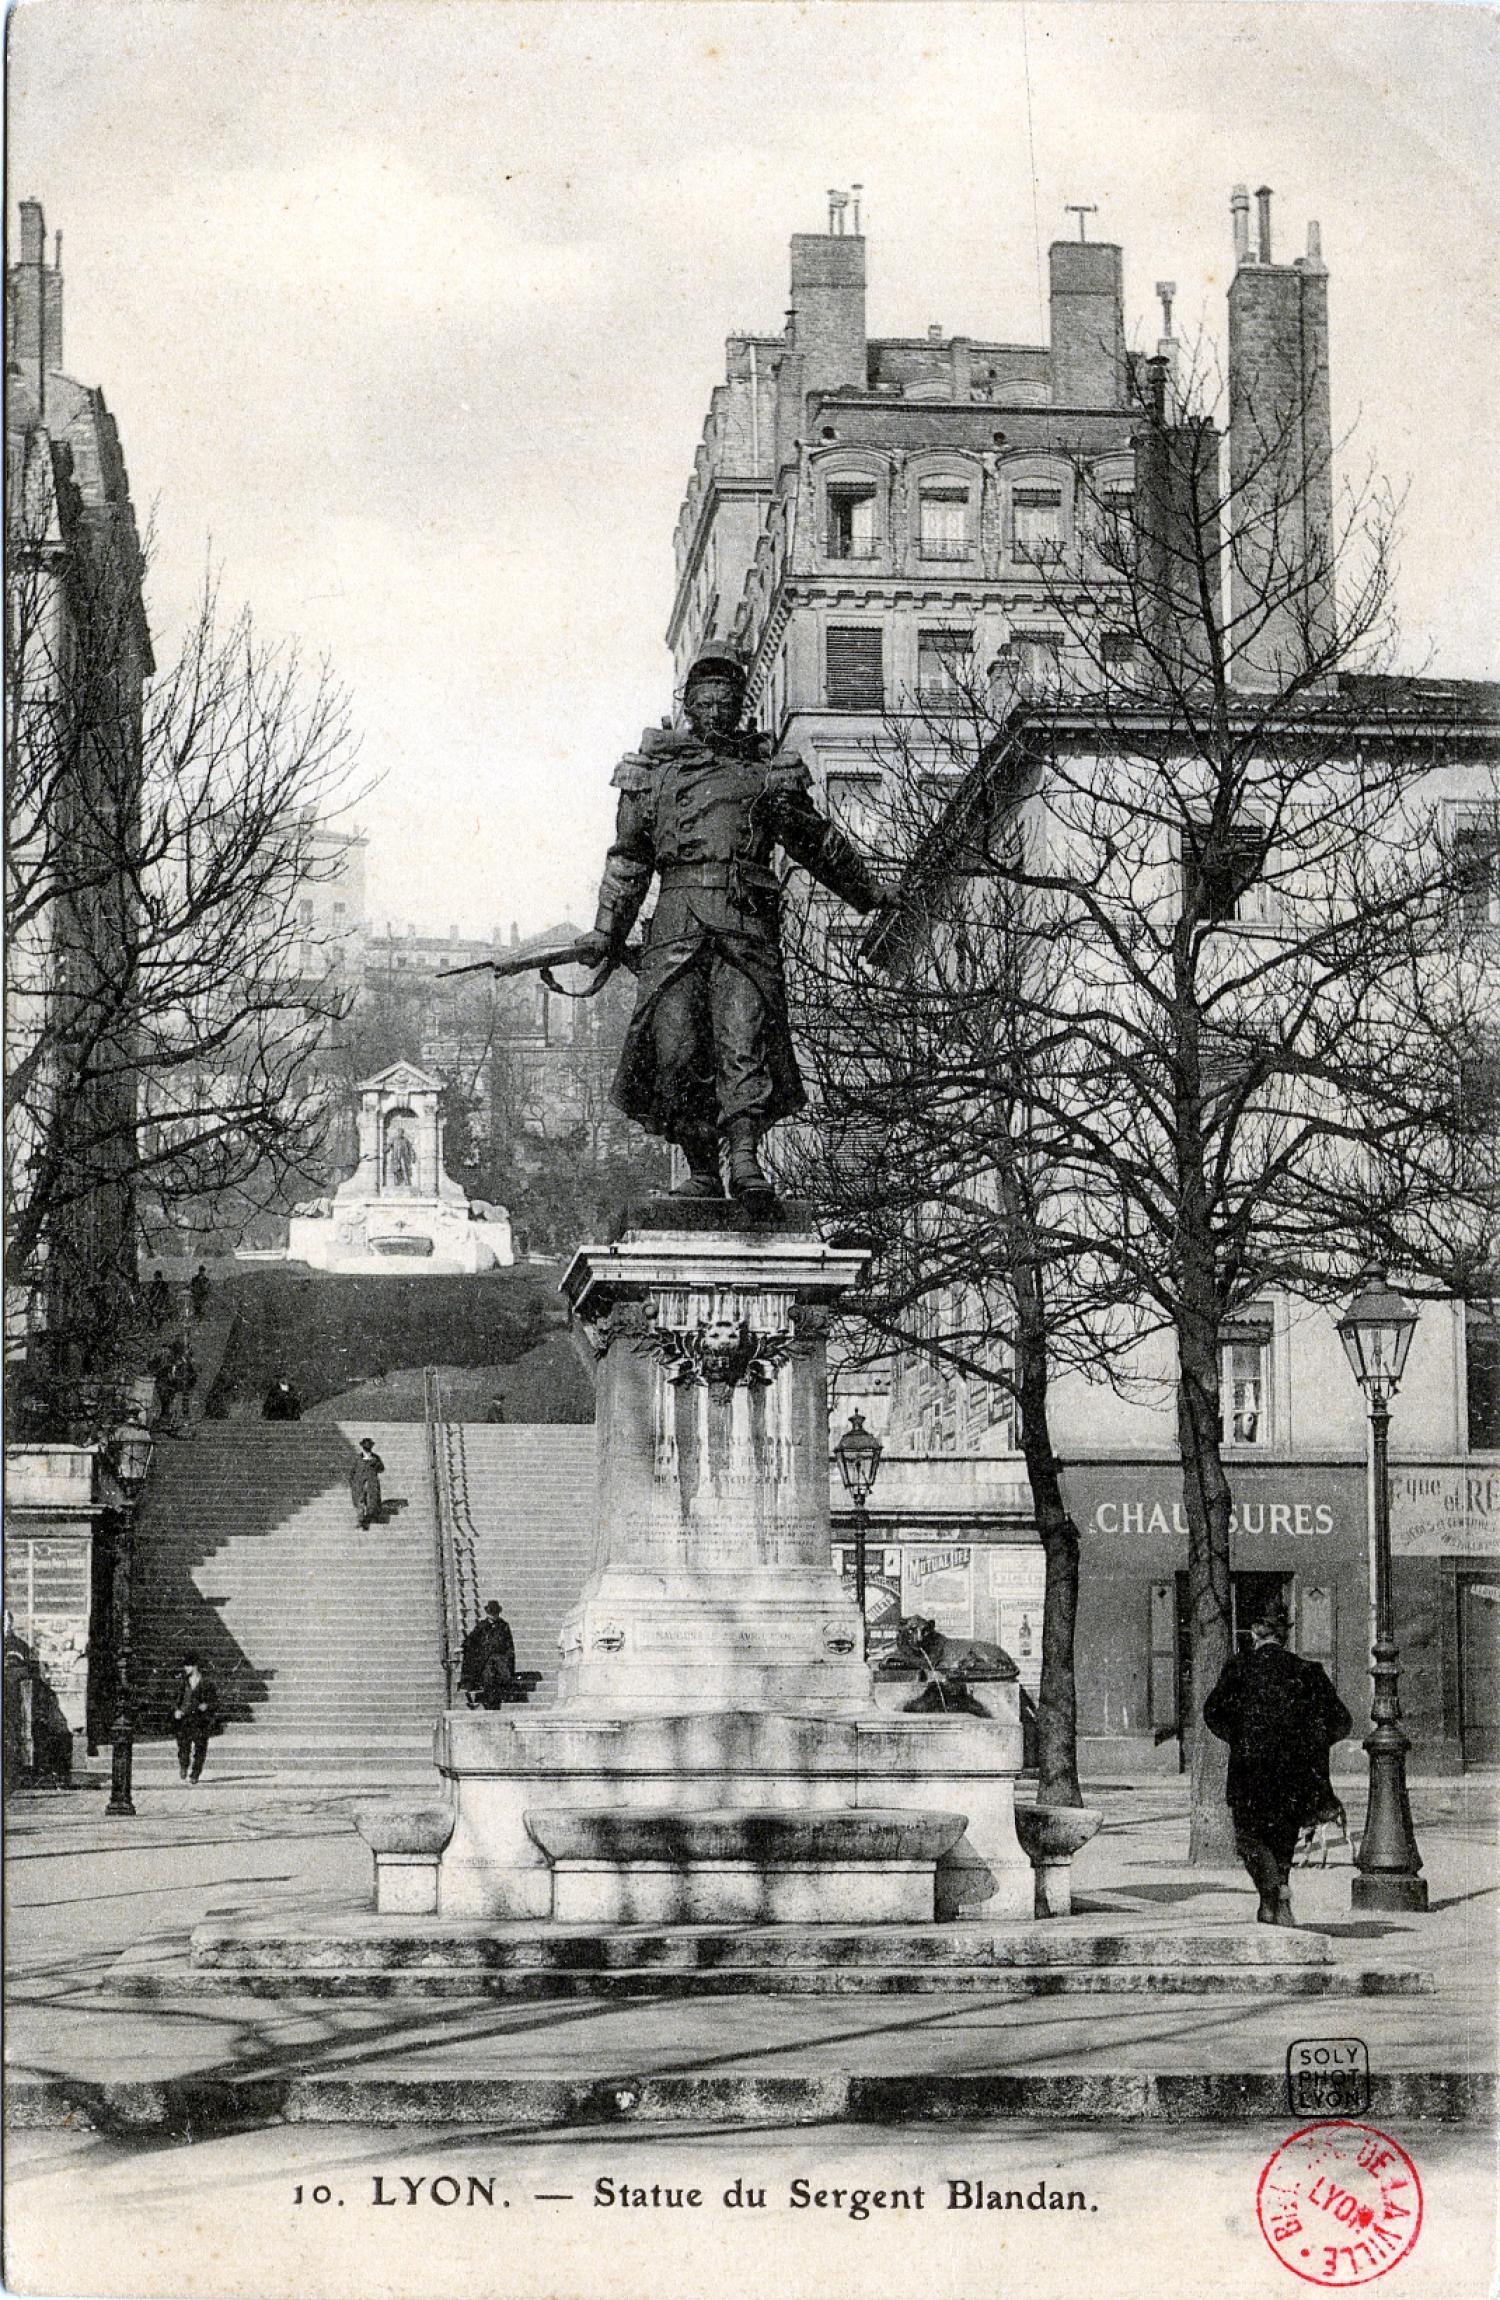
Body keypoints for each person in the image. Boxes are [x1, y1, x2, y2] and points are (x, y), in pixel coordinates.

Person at [573, 645, 887, 1204]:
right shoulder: (651, 776)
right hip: (674, 925)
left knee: (744, 1041)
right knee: (677, 1050)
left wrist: (868, 893)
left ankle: (745, 1162)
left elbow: (816, 841)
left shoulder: (769, 772)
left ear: (741, 705)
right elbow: (628, 858)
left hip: (745, 923)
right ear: (688, 703)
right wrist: (606, 930)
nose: (716, 709)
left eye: (727, 699)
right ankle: (701, 1169)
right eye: (706, 698)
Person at [1203, 1599, 1353, 1926]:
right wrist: (1307, 1744)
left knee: (1248, 1836)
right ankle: (1277, 1897)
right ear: (1284, 1636)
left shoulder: (1239, 1669)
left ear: (1255, 1634)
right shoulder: (1308, 1672)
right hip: (1294, 1775)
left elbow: (1212, 1713)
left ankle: (1272, 1894)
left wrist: (1241, 1737)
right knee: (1283, 1839)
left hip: (1249, 1772)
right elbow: (1341, 1721)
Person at [170, 1654, 220, 1784]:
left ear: (195, 1666)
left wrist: (207, 1705)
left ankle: (195, 1773)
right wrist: (176, 1710)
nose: (186, 1668)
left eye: (188, 1665)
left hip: (200, 1720)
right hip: (184, 1719)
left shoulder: (207, 1682)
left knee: (200, 1748)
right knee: (183, 1747)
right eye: (185, 1666)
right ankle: (183, 1766)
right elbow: (175, 1699)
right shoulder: (182, 1682)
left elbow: (215, 1701)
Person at [459, 1601, 517, 1709]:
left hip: (500, 1660)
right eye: (491, 1613)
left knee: (497, 1672)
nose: (493, 1615)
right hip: (485, 1660)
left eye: (495, 1613)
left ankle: (496, 1698)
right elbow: (471, 1640)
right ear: (487, 1613)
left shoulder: (503, 1626)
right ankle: (489, 1701)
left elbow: (509, 1645)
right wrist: (463, 1647)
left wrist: (508, 1661)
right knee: (488, 1674)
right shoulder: (481, 1626)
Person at [350, 1437, 385, 1529]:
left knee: (372, 1500)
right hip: (359, 1483)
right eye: (366, 1448)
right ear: (362, 1448)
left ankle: (371, 1517)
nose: (367, 1449)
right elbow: (352, 1471)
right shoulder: (358, 1458)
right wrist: (353, 1483)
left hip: (371, 1482)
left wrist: (375, 1464)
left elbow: (381, 1469)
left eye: (368, 1448)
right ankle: (361, 1520)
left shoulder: (375, 1458)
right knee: (360, 1501)